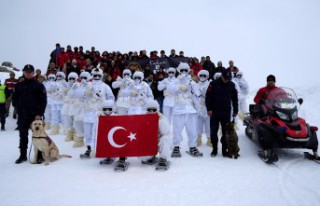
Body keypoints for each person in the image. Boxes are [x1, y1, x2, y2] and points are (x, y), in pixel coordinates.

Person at [12, 64, 47, 164]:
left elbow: (43, 101)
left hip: (35, 116)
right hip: (23, 115)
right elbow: (14, 100)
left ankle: (39, 156)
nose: (28, 73)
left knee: (38, 135)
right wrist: (19, 109)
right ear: (23, 72)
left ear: (33, 73)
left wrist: (39, 114)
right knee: (23, 135)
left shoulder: (39, 85)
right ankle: (23, 155)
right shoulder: (19, 85)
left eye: (30, 72)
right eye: (26, 72)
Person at [167, 62, 202, 157]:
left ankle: (193, 147)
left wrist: (198, 108)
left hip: (190, 109)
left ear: (188, 71)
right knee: (177, 130)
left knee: (192, 130)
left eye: (185, 70)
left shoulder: (192, 82)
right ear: (179, 70)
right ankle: (176, 147)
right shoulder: (175, 81)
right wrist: (179, 86)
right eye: (181, 70)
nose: (183, 72)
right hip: (178, 109)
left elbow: (196, 96)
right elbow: (169, 89)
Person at [80, 68, 115, 158]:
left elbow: (111, 98)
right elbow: (80, 99)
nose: (96, 77)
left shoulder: (105, 86)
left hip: (99, 113)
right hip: (88, 112)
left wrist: (104, 102)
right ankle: (88, 149)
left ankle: (99, 149)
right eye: (94, 75)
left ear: (101, 76)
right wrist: (85, 94)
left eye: (98, 75)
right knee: (87, 133)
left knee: (98, 132)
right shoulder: (87, 85)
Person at [205, 69, 238, 157]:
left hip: (226, 112)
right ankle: (214, 149)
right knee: (213, 132)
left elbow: (235, 99)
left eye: (228, 78)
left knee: (225, 132)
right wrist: (209, 109)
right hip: (214, 112)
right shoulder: (213, 84)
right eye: (225, 78)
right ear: (222, 76)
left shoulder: (231, 85)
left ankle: (224, 150)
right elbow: (208, 97)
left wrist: (235, 110)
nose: (226, 80)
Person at [196, 70, 212, 147]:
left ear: (207, 76)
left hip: (207, 107)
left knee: (208, 125)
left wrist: (203, 93)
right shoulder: (196, 84)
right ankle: (198, 139)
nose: (202, 77)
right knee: (198, 125)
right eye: (201, 75)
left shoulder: (210, 84)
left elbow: (210, 95)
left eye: (204, 76)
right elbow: (194, 95)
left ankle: (209, 140)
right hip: (198, 107)